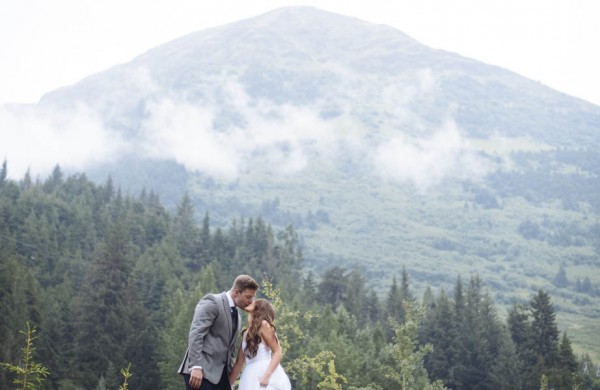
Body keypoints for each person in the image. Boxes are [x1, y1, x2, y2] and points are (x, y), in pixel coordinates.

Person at [178, 275, 259, 390]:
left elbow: (229, 351)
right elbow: (196, 334)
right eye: (248, 297)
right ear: (237, 292)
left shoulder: (238, 316)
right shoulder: (212, 302)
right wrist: (195, 366)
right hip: (201, 372)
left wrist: (229, 381)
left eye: (252, 298)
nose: (251, 301)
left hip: (220, 379)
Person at [229, 299, 291, 389]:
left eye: (254, 302)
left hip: (263, 372)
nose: (251, 301)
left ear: (259, 308)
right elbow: (239, 362)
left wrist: (266, 376)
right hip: (249, 376)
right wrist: (229, 383)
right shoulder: (247, 332)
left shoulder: (264, 325)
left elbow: (278, 352)